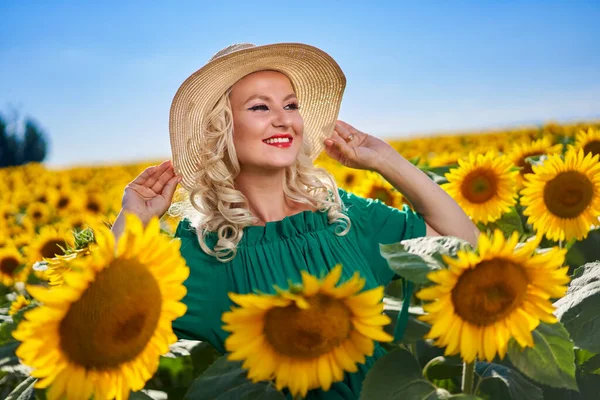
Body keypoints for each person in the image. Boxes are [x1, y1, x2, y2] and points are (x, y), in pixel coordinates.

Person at [111, 43, 479, 399]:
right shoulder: (209, 249)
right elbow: (111, 325)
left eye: (291, 105)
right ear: (220, 128)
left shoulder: (342, 217)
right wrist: (131, 225)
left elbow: (462, 244)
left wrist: (385, 160)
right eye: (259, 107)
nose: (284, 119)